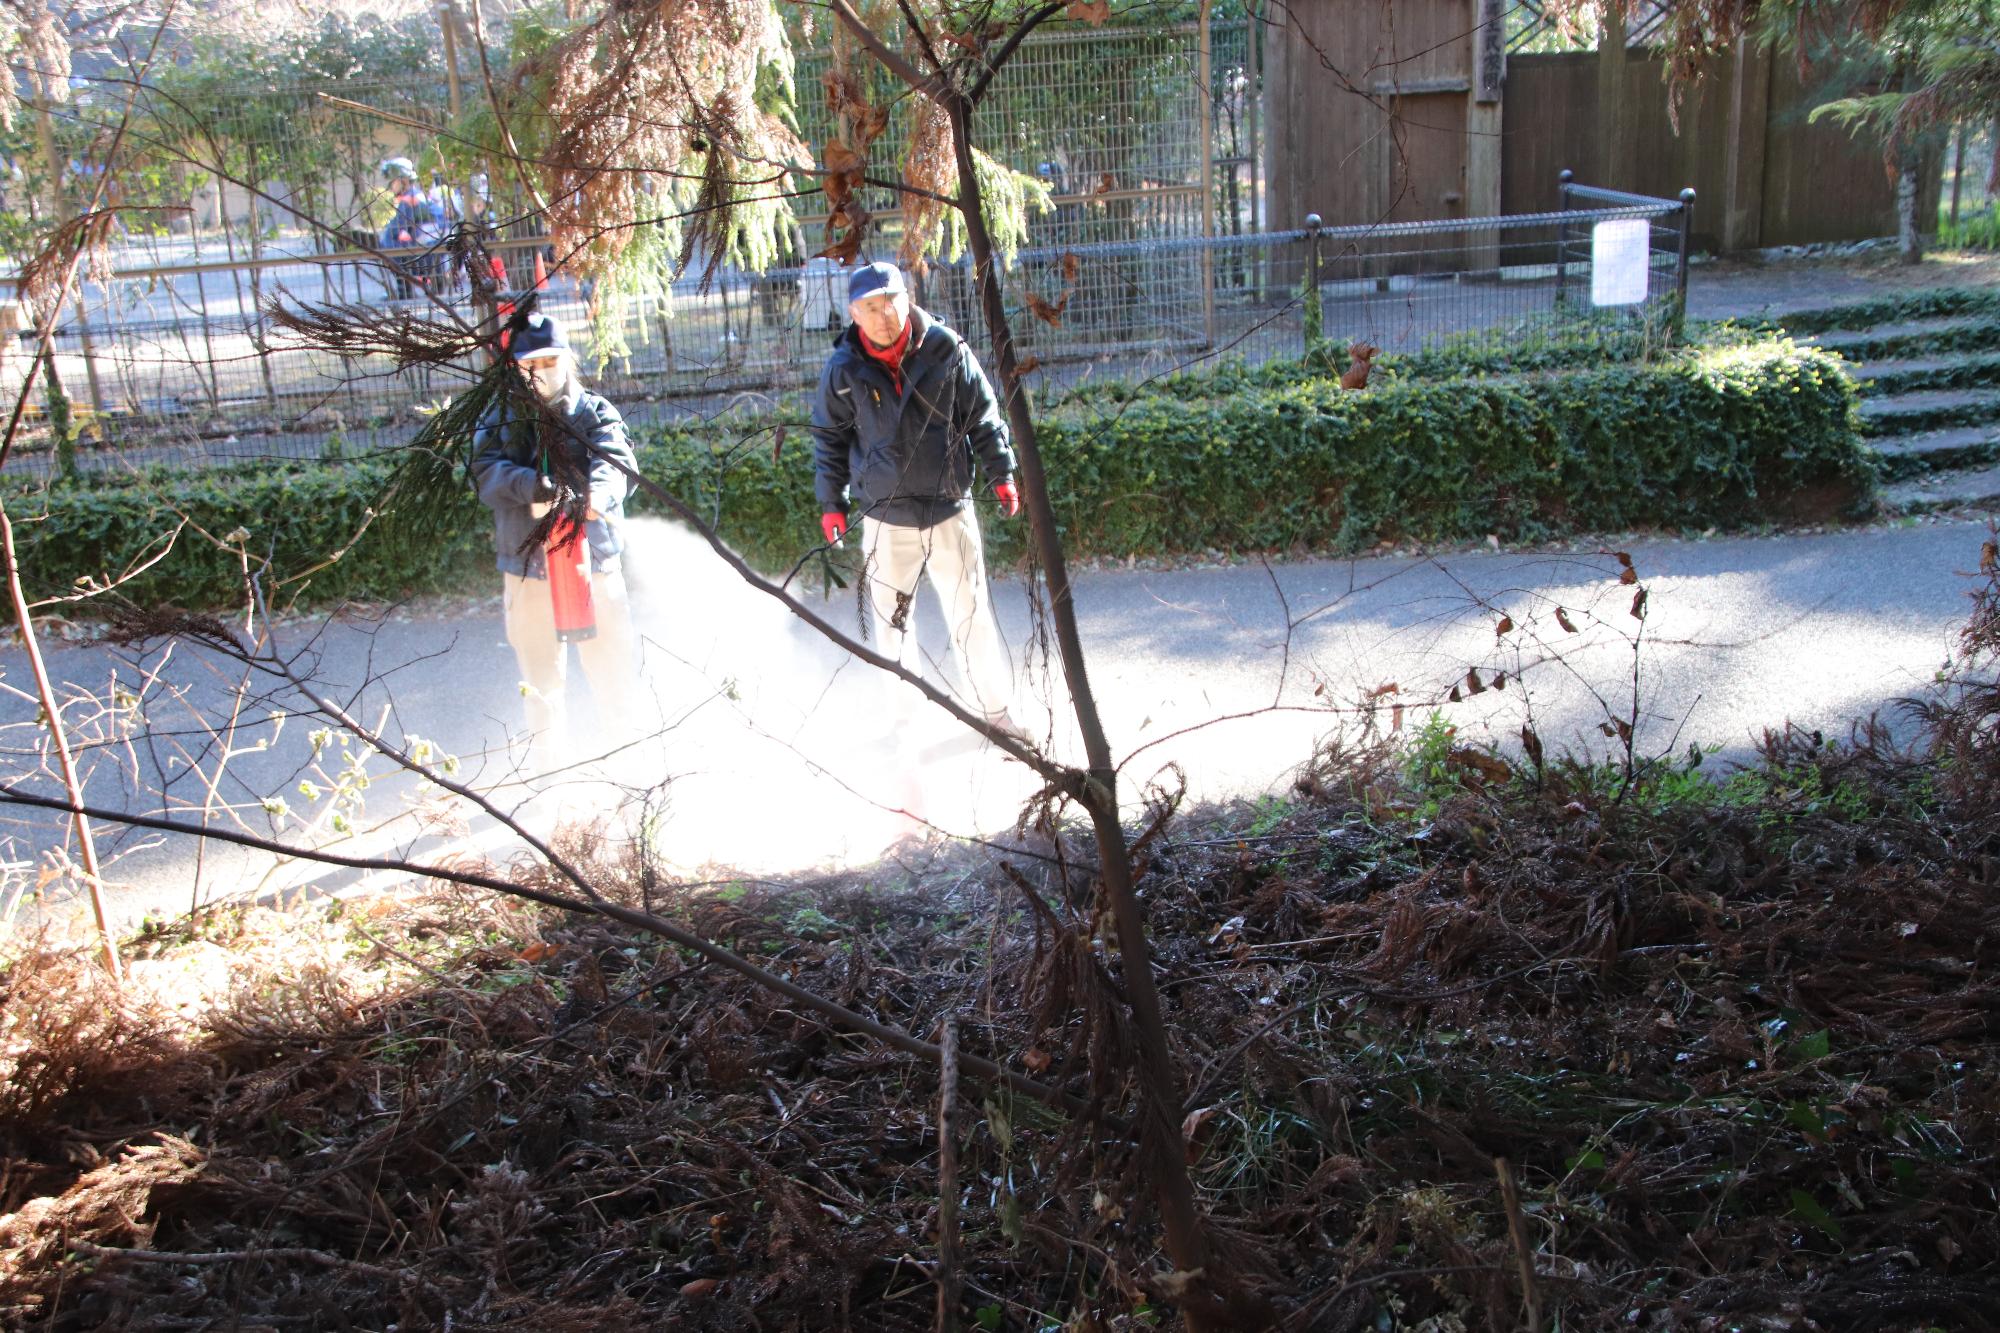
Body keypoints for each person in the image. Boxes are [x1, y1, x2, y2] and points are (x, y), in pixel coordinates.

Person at [810, 260, 1027, 741]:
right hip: (886, 518)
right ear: (854, 314)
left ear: (907, 298)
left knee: (971, 613)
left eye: (891, 301)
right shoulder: (843, 370)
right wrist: (831, 502)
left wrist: (1002, 473)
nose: (884, 315)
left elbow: (982, 415)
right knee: (893, 625)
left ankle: (995, 714)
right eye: (871, 307)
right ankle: (906, 723)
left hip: (949, 508)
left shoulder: (945, 349)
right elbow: (829, 439)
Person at [470, 309, 643, 779]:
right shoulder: (499, 420)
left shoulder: (595, 413)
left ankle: (631, 778)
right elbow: (485, 473)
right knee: (542, 686)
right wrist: (534, 487)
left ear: (567, 358)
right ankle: (551, 781)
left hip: (595, 565)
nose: (543, 371)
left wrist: (596, 496)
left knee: (614, 676)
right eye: (532, 363)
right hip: (528, 570)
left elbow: (617, 462)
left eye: (551, 360)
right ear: (515, 367)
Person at [377, 157, 448, 298]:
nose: (390, 186)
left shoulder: (409, 200)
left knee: (388, 244)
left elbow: (393, 230)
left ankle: (404, 290)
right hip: (437, 253)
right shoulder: (419, 195)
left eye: (393, 181)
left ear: (403, 180)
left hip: (425, 254)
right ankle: (437, 283)